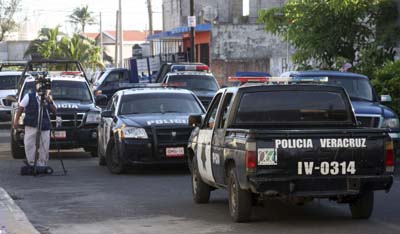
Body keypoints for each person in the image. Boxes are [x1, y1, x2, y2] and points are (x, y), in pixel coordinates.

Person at [13, 88, 57, 167]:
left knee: (45, 146)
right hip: (31, 125)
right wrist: (16, 120)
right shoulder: (29, 96)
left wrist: (49, 101)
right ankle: (31, 163)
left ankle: (42, 164)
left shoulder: (48, 98)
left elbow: (55, 111)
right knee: (29, 144)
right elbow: (21, 108)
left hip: (45, 126)